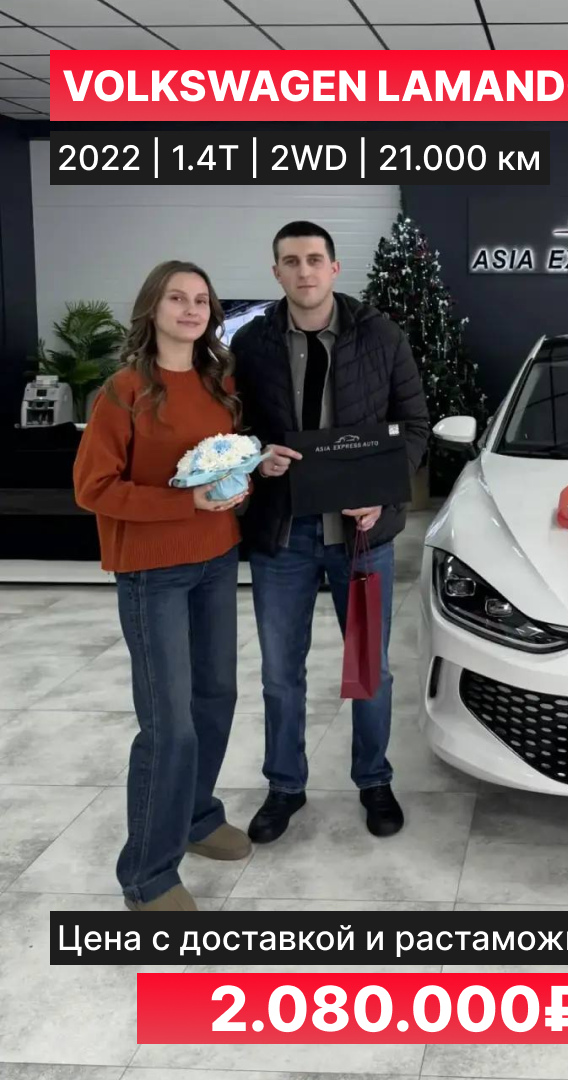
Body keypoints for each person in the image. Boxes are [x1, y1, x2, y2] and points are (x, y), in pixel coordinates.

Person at [231, 220, 429, 844]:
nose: (304, 271)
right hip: (283, 533)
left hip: (361, 536)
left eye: (314, 259)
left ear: (335, 267)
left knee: (369, 669)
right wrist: (256, 455)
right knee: (279, 673)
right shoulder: (252, 342)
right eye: (291, 261)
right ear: (276, 272)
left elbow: (415, 426)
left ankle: (374, 779)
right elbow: (233, 428)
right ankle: (284, 787)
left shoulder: (380, 335)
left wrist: (384, 490)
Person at [73, 261, 252, 912]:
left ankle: (197, 817)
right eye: (178, 298)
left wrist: (244, 477)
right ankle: (147, 877)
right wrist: (187, 503)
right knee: (169, 725)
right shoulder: (123, 391)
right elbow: (92, 488)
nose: (191, 308)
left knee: (216, 699)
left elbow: (224, 460)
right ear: (152, 308)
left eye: (201, 299)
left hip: (217, 558)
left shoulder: (219, 382)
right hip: (154, 573)